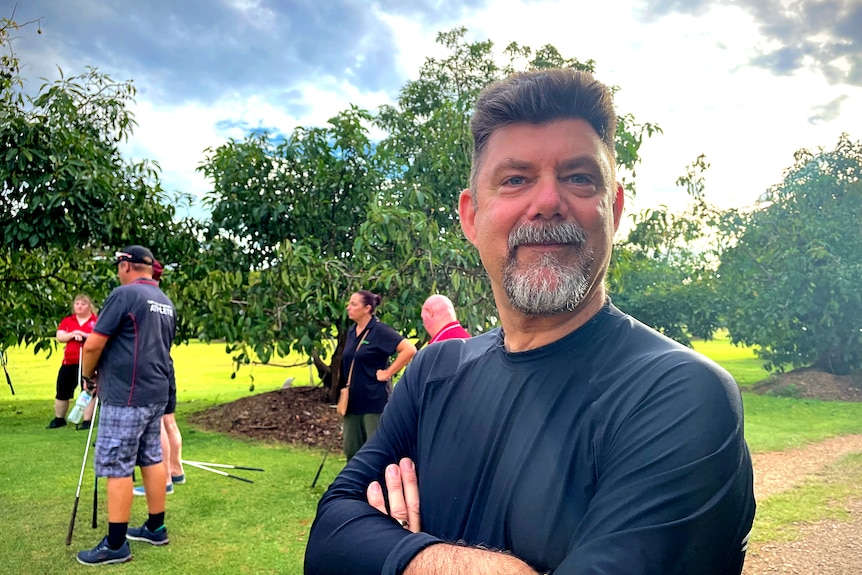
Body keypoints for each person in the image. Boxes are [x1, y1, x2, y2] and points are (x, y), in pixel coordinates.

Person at [305, 69, 756, 575]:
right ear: (471, 217)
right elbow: (330, 540)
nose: (547, 202)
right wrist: (463, 566)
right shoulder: (435, 372)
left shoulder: (678, 393)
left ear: (616, 209)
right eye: (516, 179)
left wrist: (395, 551)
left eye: (579, 177)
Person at [77, 246, 177, 566]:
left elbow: (93, 343)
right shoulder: (165, 301)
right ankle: (155, 527)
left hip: (126, 395)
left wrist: (87, 375)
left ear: (126, 265)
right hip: (155, 392)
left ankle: (116, 544)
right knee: (151, 457)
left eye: (119, 264)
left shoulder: (124, 294)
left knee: (117, 464)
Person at [341, 290, 417, 461]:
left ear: (367, 308)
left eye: (354, 304)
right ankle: (355, 486)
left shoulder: (379, 331)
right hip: (352, 403)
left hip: (374, 402)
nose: (348, 308)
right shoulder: (352, 331)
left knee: (374, 453)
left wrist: (388, 373)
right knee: (351, 450)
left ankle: (379, 486)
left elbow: (409, 349)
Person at [133, 260, 185, 497]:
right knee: (169, 421)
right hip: (167, 365)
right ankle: (176, 470)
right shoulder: (165, 303)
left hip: (153, 369)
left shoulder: (145, 301)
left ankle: (163, 479)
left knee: (158, 425)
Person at [47, 294, 98, 430]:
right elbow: (60, 336)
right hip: (69, 362)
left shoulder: (96, 321)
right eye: (77, 304)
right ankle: (59, 419)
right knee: (62, 390)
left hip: (89, 362)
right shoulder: (68, 321)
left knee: (88, 390)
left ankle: (86, 420)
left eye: (83, 304)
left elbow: (99, 337)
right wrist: (73, 334)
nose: (79, 306)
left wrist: (85, 336)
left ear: (89, 306)